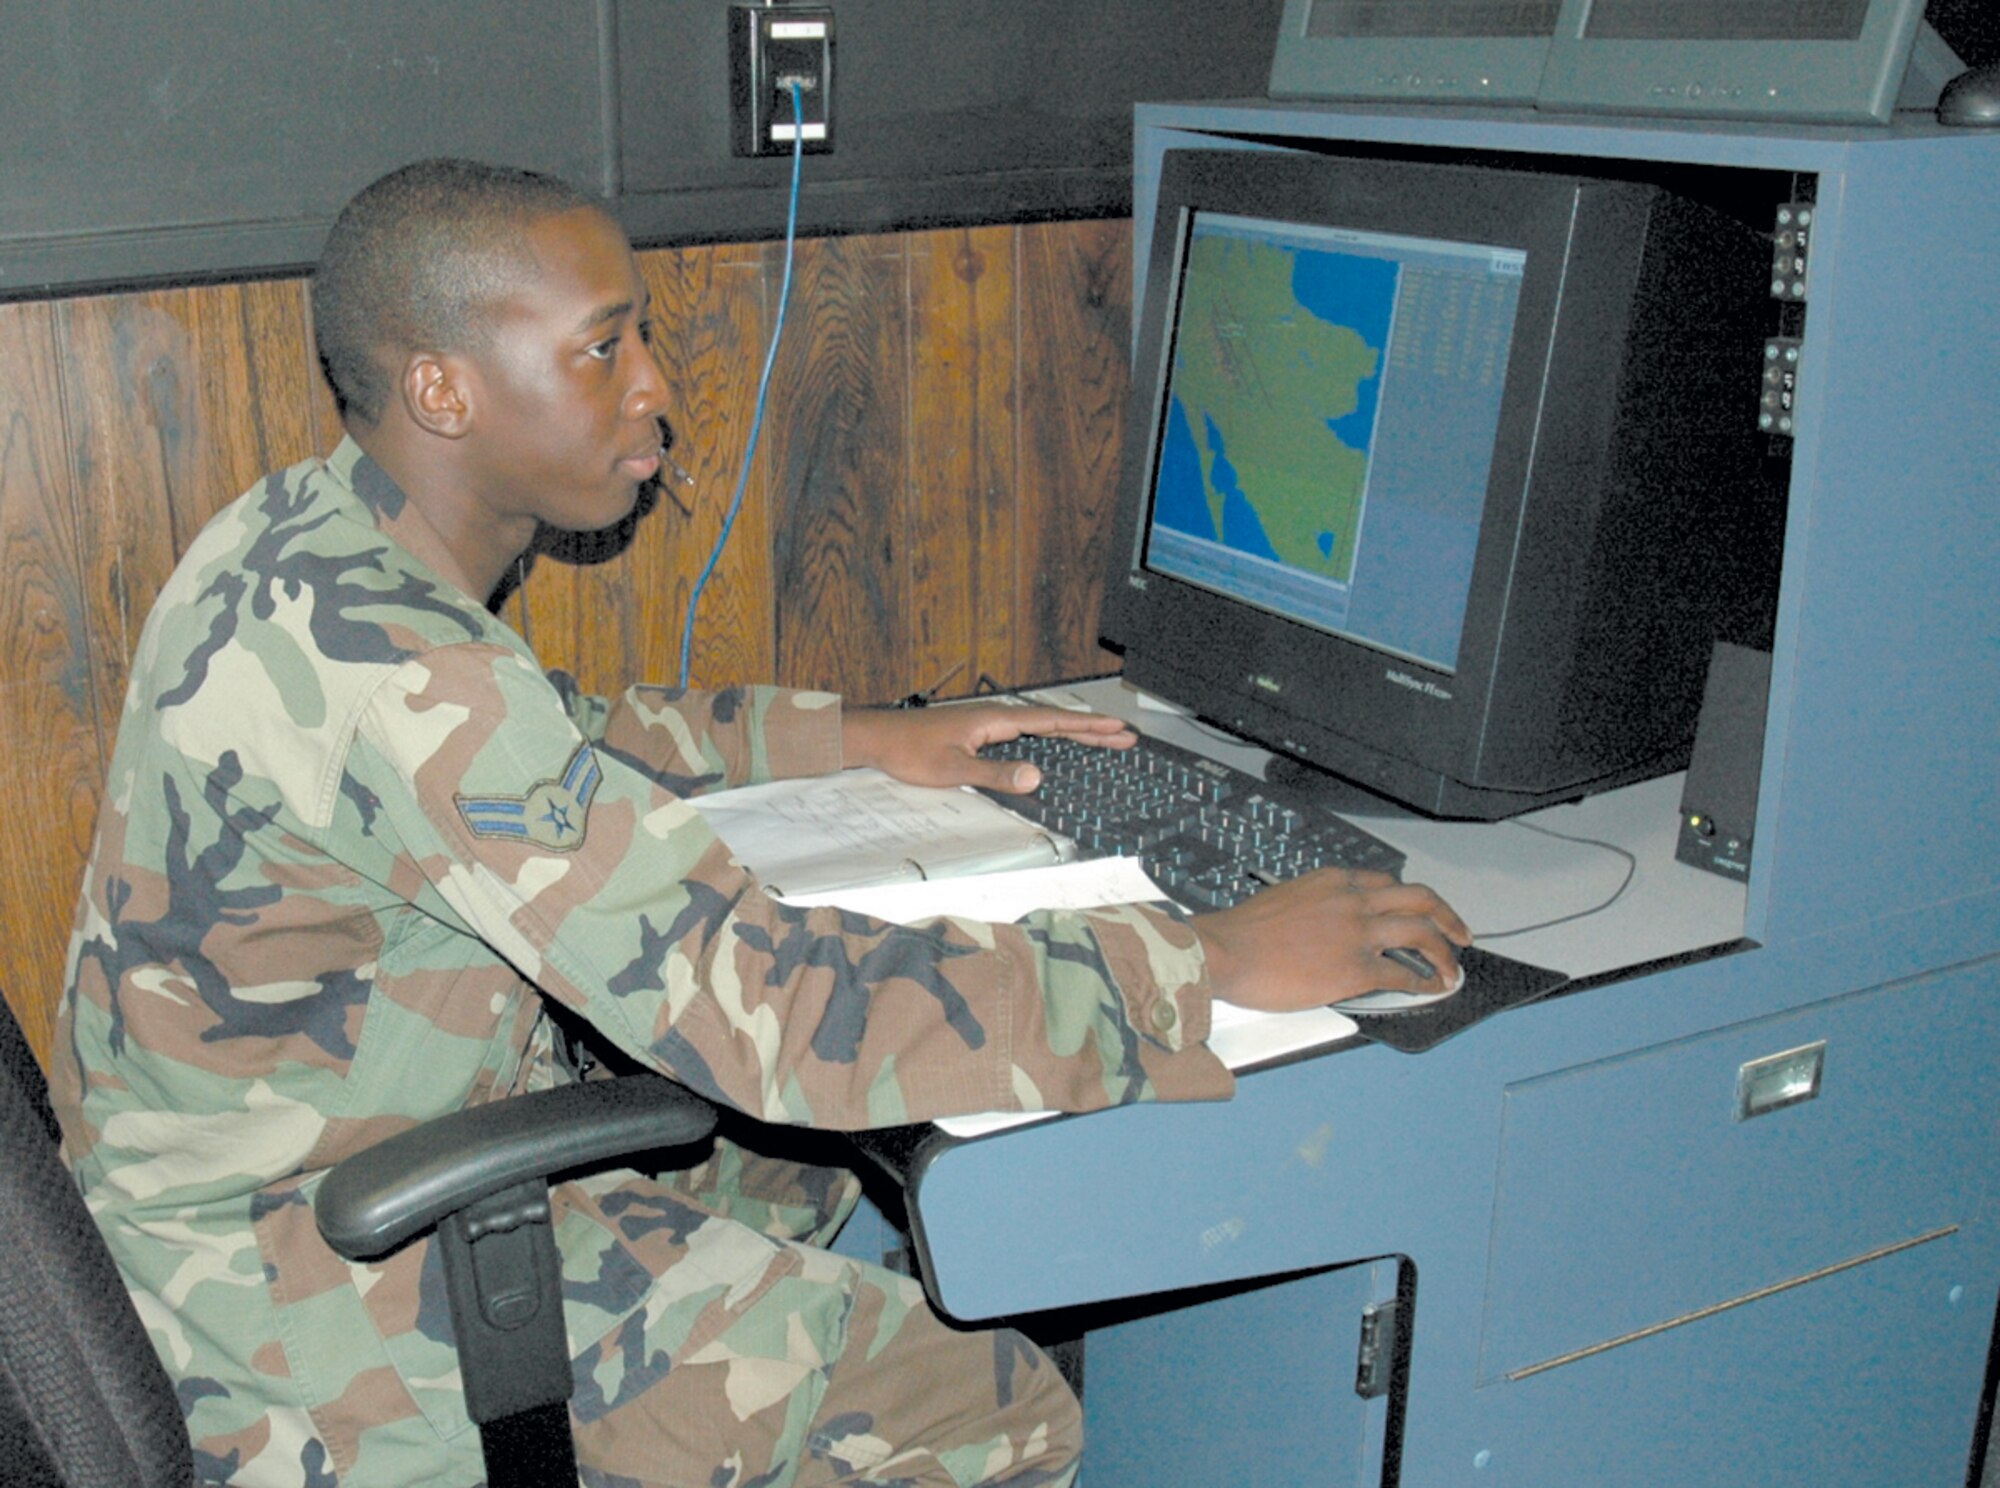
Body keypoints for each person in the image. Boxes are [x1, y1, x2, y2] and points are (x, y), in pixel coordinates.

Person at [50, 159, 1470, 1488]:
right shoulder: (414, 677)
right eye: (602, 348)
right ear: (444, 389)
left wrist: (860, 737)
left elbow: (559, 738)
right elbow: (780, 1013)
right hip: (309, 1306)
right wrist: (1209, 964)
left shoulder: (306, 540)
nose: (654, 389)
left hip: (259, 1200)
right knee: (994, 1403)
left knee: (807, 1178)